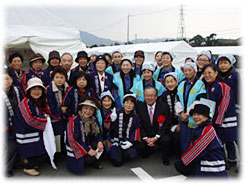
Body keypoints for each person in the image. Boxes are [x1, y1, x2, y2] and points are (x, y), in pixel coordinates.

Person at [174, 103, 227, 177]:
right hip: (205, 166)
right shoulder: (201, 129)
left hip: (213, 169)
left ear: (206, 117)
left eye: (199, 114)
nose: (195, 117)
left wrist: (183, 163)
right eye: (194, 114)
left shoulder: (208, 130)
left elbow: (198, 149)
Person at [202, 63, 238, 169]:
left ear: (216, 73)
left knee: (229, 141)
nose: (207, 75)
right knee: (220, 141)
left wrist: (216, 121)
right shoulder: (208, 86)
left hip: (226, 119)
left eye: (210, 73)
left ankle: (232, 160)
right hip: (216, 119)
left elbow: (223, 105)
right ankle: (224, 161)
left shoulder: (222, 86)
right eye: (205, 73)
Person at [14, 77, 49, 176]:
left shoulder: (34, 102)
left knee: (41, 152)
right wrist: (45, 119)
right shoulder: (25, 103)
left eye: (39, 89)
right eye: (34, 89)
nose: (37, 91)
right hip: (26, 135)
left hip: (32, 134)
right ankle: (28, 167)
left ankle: (30, 162)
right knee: (43, 153)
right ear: (29, 91)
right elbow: (30, 120)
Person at [66, 97, 104, 173]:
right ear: (81, 108)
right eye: (85, 108)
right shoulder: (74, 120)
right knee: (88, 159)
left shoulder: (94, 119)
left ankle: (91, 159)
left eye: (91, 109)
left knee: (102, 148)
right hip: (77, 146)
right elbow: (73, 139)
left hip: (88, 143)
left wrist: (100, 142)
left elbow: (98, 132)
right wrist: (87, 150)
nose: (88, 111)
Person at [175, 62, 206, 154]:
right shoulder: (181, 84)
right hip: (182, 117)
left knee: (194, 140)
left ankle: (192, 161)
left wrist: (187, 113)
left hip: (194, 118)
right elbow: (177, 100)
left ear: (194, 71)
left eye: (190, 70)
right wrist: (181, 113)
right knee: (184, 140)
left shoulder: (200, 84)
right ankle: (185, 160)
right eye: (185, 70)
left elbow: (199, 100)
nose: (187, 72)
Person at [136, 87, 172, 165]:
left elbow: (167, 123)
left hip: (159, 133)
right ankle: (150, 148)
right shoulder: (139, 107)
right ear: (144, 96)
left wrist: (156, 137)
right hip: (147, 133)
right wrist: (145, 138)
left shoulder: (164, 106)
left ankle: (165, 157)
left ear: (156, 97)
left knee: (166, 140)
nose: (149, 98)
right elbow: (139, 124)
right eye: (147, 96)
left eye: (152, 96)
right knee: (139, 146)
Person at [46, 66, 70, 163]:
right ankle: (56, 155)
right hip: (54, 117)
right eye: (57, 77)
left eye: (62, 77)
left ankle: (64, 153)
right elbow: (48, 106)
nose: (59, 80)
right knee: (56, 135)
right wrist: (60, 111)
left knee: (66, 134)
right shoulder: (48, 89)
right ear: (53, 78)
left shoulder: (68, 88)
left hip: (66, 116)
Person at [2, 68, 23, 177]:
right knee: (9, 148)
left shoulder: (17, 90)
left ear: (11, 79)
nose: (5, 81)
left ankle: (15, 164)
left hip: (17, 122)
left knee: (18, 144)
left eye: (7, 79)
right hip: (5, 124)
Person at [110, 94, 140, 167]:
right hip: (116, 140)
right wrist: (111, 120)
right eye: (127, 102)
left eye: (131, 103)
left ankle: (120, 153)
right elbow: (107, 127)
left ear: (134, 105)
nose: (128, 105)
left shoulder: (135, 117)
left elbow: (136, 130)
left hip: (127, 140)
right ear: (123, 103)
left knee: (129, 155)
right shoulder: (116, 113)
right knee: (117, 163)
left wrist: (130, 141)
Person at [159, 72, 181, 158]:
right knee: (166, 138)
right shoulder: (164, 95)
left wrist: (179, 123)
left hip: (179, 121)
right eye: (167, 82)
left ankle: (178, 155)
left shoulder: (180, 92)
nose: (170, 84)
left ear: (176, 82)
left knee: (177, 137)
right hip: (168, 121)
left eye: (172, 81)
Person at [99, 91, 117, 155]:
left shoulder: (113, 112)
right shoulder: (97, 112)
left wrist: (108, 139)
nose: (107, 103)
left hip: (109, 136)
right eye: (104, 101)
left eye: (109, 100)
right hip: (99, 137)